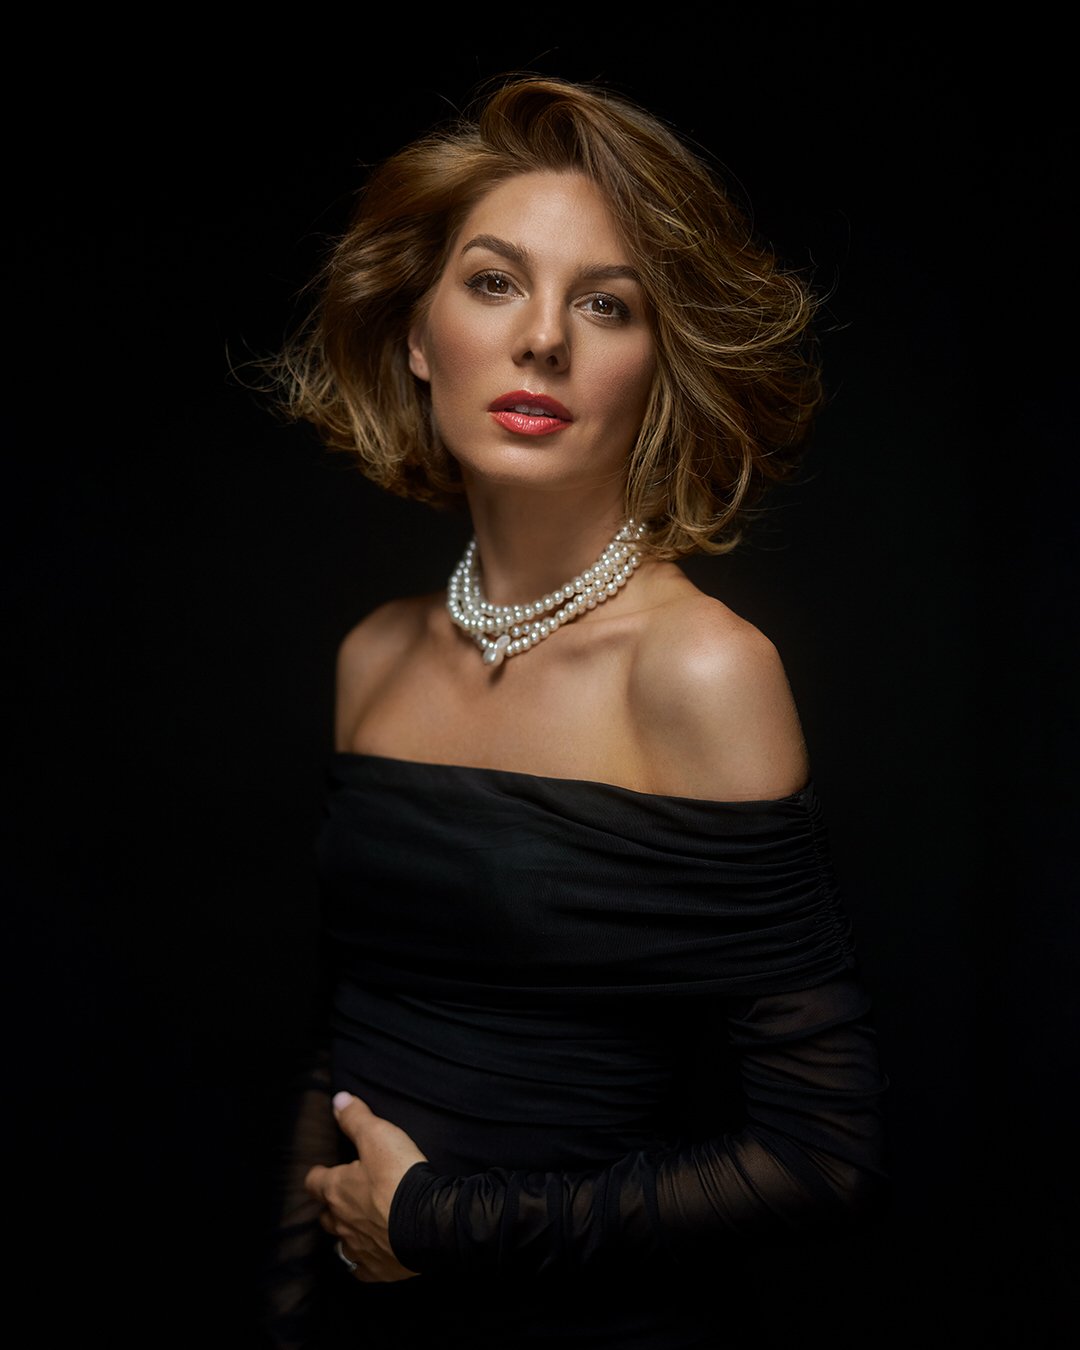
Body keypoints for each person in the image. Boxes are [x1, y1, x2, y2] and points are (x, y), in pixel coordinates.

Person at [261, 74, 887, 1349]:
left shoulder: (701, 674)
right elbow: (340, 1051)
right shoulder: (372, 657)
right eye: (495, 283)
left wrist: (443, 1225)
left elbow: (825, 1156)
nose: (543, 338)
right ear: (419, 334)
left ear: (659, 366)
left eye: (605, 305)